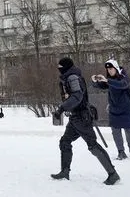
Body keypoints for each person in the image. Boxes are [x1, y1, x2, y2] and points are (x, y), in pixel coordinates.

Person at [51, 57, 120, 185]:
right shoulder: (69, 77)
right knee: (65, 141)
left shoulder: (72, 77)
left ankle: (113, 174)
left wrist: (61, 108)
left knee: (93, 146)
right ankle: (65, 171)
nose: (59, 70)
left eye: (60, 68)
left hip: (82, 118)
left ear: (65, 68)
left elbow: (77, 96)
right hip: (75, 117)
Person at [92, 59, 130, 160]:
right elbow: (102, 86)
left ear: (116, 68)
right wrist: (95, 82)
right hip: (114, 109)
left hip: (126, 109)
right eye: (108, 69)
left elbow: (122, 85)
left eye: (111, 68)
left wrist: (107, 80)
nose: (109, 71)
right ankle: (121, 151)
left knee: (129, 130)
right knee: (116, 131)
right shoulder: (109, 80)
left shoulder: (125, 77)